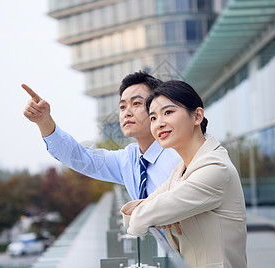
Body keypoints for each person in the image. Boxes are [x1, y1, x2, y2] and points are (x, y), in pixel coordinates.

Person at [120, 80, 247, 268]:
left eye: (168, 112)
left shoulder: (215, 168)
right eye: (153, 118)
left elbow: (140, 220)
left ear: (197, 116)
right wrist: (162, 215)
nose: (159, 124)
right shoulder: (180, 171)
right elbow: (129, 218)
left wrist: (159, 215)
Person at [22, 71, 181, 201]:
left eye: (136, 103)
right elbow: (80, 158)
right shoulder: (129, 159)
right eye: (122, 106)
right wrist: (44, 121)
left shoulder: (180, 154)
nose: (127, 112)